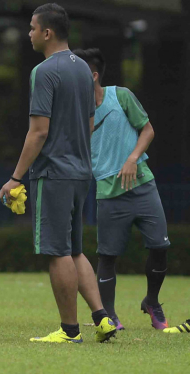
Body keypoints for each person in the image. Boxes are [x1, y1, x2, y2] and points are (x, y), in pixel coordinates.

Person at [0, 3, 116, 343]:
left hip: (54, 172)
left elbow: (38, 132)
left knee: (57, 251)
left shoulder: (45, 71)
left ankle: (70, 331)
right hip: (81, 172)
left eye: (32, 28)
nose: (29, 33)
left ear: (47, 32)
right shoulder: (83, 69)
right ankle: (102, 319)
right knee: (75, 249)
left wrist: (16, 177)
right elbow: (91, 120)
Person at [73, 48, 170, 331]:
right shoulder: (75, 110)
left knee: (160, 246)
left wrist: (131, 158)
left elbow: (148, 129)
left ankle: (152, 301)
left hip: (143, 185)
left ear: (92, 75)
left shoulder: (121, 96)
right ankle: (110, 315)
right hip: (108, 192)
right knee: (108, 256)